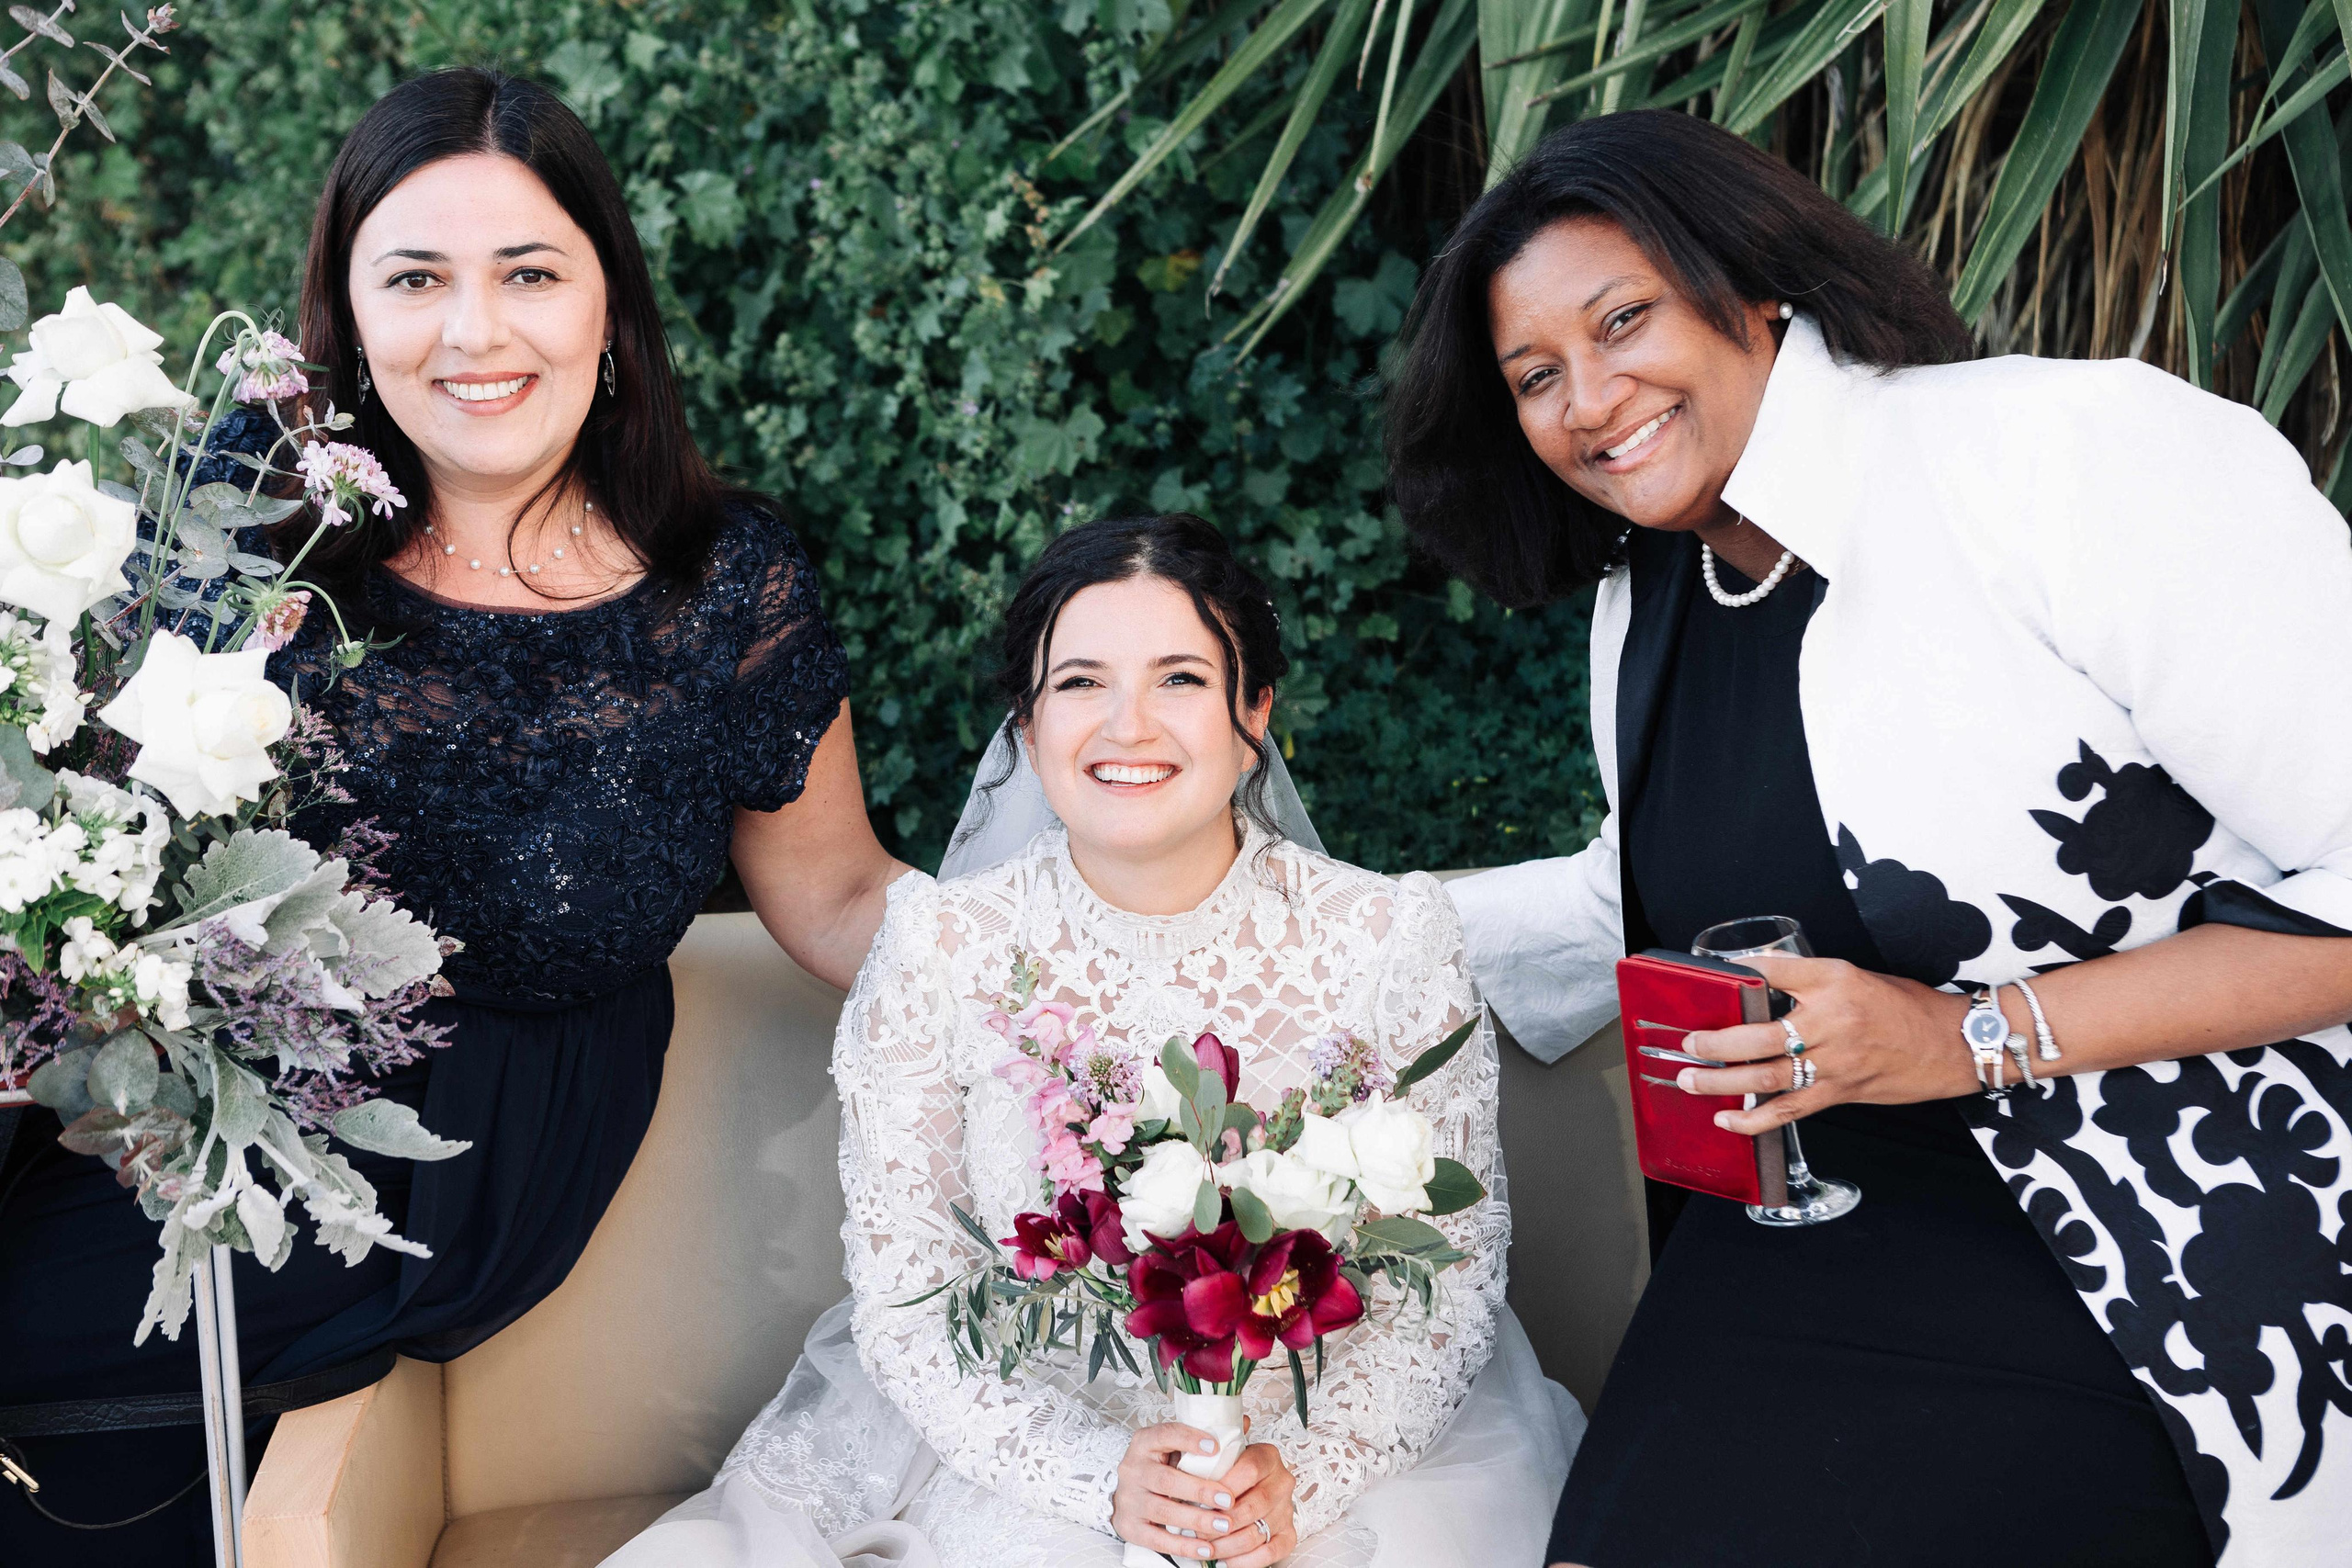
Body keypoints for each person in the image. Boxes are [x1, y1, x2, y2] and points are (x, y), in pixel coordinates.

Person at [1390, 110, 2352, 1568]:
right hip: (1801, 1236)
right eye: (1537, 376)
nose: (1589, 399)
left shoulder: (2057, 456)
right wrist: (1272, 929)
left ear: (1753, 280)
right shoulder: (1645, 600)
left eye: (1623, 319)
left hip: (2163, 1232)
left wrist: (1966, 1036)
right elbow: (1640, 892)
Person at [0, 67, 907, 1562]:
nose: (474, 331)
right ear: (347, 316)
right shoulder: (240, 517)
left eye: (530, 273)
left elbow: (840, 895)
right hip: (141, 1128)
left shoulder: (721, 584)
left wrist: (1076, 1009)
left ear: (607, 303)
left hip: (437, 1178)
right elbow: (82, 835)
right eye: (415, 277)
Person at [604, 513, 1581, 1568]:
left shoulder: (1393, 939)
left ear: (1255, 711)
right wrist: (1093, 1479)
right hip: (1030, 1441)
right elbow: (909, 1302)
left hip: (1324, 1443)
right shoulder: (939, 950)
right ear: (1025, 729)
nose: (1128, 725)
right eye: (1079, 683)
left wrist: (1303, 1478)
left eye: (1179, 680)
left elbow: (1451, 1289)